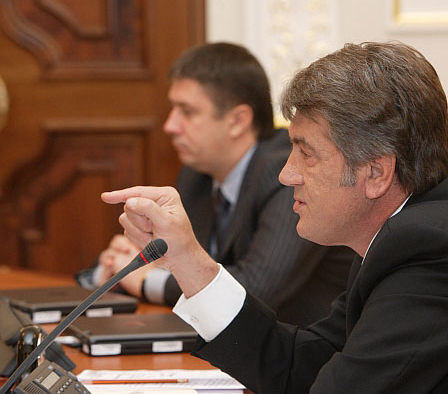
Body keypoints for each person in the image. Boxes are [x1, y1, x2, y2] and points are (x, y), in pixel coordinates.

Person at [102, 41, 448, 393]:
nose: (286, 174)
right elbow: (298, 366)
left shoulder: (436, 251)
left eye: (306, 153)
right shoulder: (403, 235)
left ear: (376, 172)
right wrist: (187, 261)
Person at [79, 42, 354, 327]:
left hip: (308, 346)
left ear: (237, 121)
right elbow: (181, 259)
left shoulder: (287, 174)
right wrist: (117, 267)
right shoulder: (196, 175)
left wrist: (149, 282)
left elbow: (257, 288)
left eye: (187, 112)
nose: (170, 126)